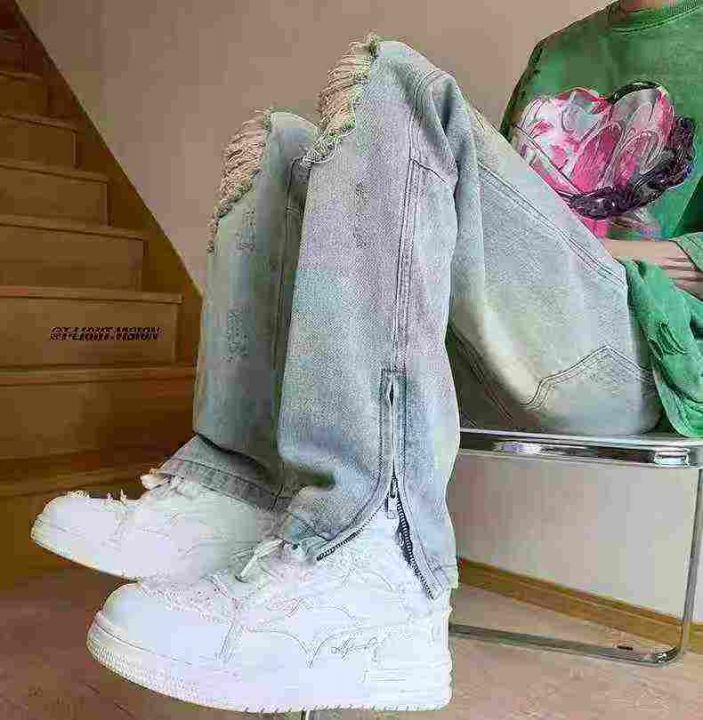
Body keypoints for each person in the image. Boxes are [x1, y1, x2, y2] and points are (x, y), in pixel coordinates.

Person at [29, 0, 703, 711]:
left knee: (399, 83)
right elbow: (498, 221)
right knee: (283, 146)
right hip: (511, 340)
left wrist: (598, 251)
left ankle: (377, 559)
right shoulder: (558, 52)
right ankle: (237, 486)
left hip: (639, 351)